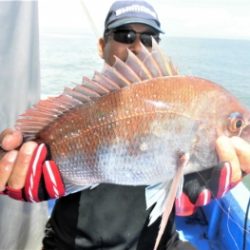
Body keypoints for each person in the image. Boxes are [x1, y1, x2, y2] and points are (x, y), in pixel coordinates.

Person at [0, 1, 250, 249]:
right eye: (125, 34)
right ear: (102, 45)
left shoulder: (186, 105)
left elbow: (175, 184)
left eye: (149, 37)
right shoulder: (76, 111)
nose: (138, 45)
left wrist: (196, 180)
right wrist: (10, 166)